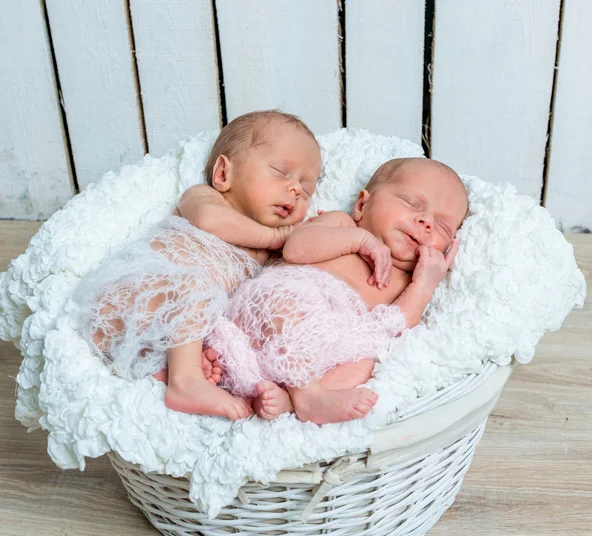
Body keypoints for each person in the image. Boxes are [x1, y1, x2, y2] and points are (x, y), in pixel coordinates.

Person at [75, 110, 322, 420]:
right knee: (194, 285)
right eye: (280, 171)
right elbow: (207, 221)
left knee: (225, 341)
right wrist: (277, 235)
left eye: (307, 189)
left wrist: (316, 233)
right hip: (129, 296)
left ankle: (176, 374)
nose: (296, 189)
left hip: (161, 337)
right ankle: (186, 383)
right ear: (223, 174)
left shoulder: (269, 253)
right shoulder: (205, 198)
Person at [202, 157, 469, 425]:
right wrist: (359, 241)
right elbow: (295, 249)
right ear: (362, 205)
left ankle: (292, 400)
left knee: (367, 362)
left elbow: (397, 323)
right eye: (412, 204)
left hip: (327, 352)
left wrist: (425, 285)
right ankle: (306, 395)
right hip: (268, 321)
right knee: (287, 300)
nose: (426, 223)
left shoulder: (406, 280)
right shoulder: (342, 225)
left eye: (443, 227)